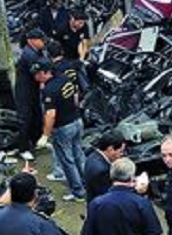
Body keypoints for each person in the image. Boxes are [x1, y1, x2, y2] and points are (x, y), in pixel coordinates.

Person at [33, 60, 86, 201]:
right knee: (79, 156)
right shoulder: (65, 78)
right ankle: (86, 184)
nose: (35, 77)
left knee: (67, 161)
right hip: (77, 121)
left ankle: (78, 192)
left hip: (63, 128)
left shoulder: (49, 90)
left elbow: (50, 114)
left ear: (46, 73)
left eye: (38, 74)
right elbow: (75, 96)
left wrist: (45, 135)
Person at [14, 29, 49, 158]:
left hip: (33, 89)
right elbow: (38, 75)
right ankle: (23, 149)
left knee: (37, 115)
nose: (43, 42)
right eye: (41, 40)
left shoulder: (38, 51)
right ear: (31, 41)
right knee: (25, 118)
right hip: (24, 90)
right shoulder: (28, 54)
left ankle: (36, 141)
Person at [54, 9, 91, 95]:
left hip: (79, 55)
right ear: (72, 19)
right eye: (80, 23)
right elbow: (56, 45)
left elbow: (85, 42)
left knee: (82, 74)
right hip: (66, 57)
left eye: (83, 23)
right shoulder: (62, 29)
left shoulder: (84, 27)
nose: (81, 25)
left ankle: (86, 90)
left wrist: (81, 58)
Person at [83, 129, 126, 203]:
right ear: (110, 149)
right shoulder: (102, 170)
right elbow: (108, 195)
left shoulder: (93, 156)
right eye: (120, 151)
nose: (122, 155)